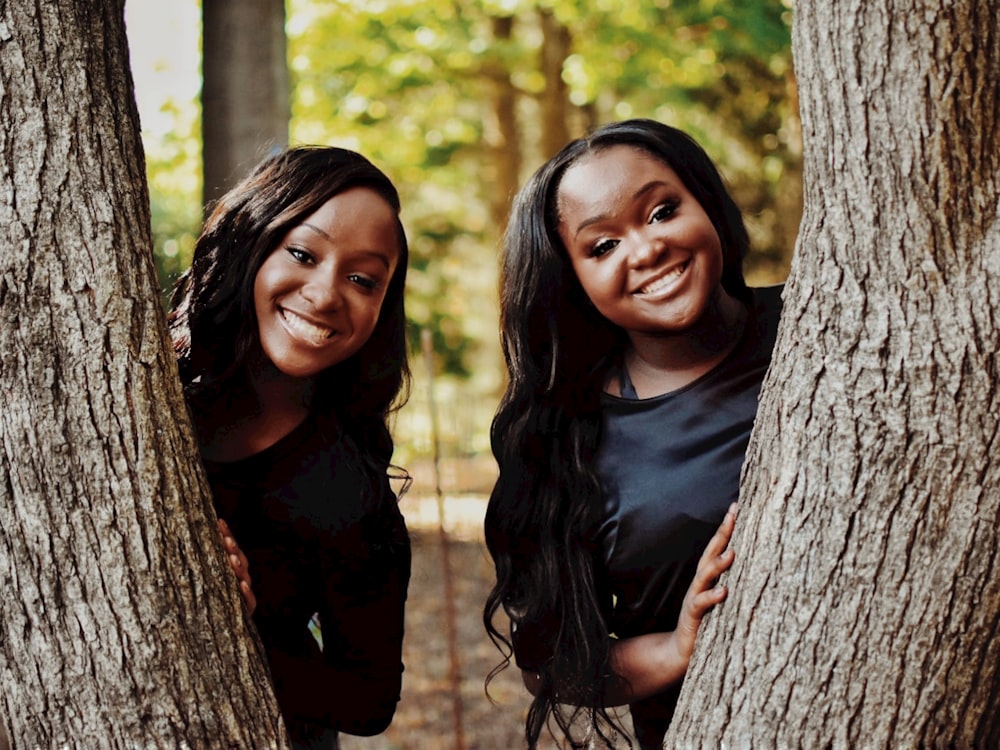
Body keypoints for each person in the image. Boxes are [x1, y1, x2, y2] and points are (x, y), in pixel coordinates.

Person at [483, 119, 783, 749]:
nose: (644, 250)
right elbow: (549, 662)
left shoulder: (828, 319)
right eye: (601, 246)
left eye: (662, 211)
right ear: (573, 280)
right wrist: (676, 648)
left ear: (708, 202)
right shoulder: (565, 443)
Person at [168, 146, 412, 749]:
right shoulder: (146, 391)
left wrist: (243, 630)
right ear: (250, 243)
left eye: (362, 279)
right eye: (303, 253)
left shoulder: (349, 495)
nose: (326, 293)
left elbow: (368, 702)